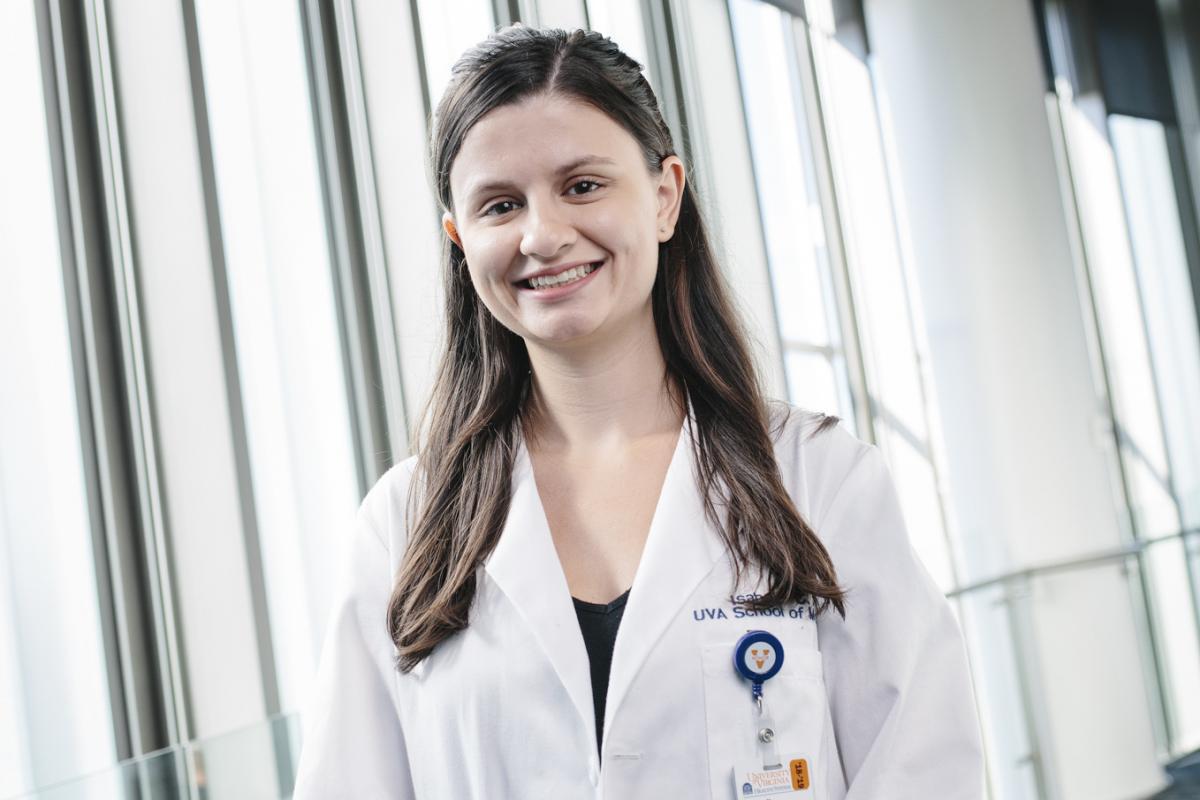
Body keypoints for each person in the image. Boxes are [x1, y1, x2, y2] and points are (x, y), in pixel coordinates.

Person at [293, 24, 983, 799]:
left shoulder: (820, 480)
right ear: (459, 238)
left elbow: (926, 769)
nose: (543, 235)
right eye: (499, 205)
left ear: (664, 196)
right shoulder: (402, 528)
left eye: (582, 185)